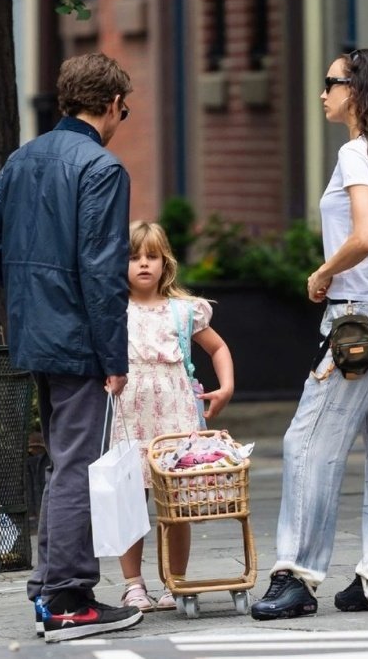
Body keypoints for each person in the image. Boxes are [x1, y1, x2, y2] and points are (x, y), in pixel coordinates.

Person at [0, 52, 143, 642]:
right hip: (79, 338)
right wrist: (114, 357)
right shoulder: (102, 168)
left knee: (61, 460)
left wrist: (29, 293)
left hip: (35, 332)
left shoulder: (23, 159)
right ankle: (68, 597)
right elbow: (101, 272)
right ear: (113, 104)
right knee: (78, 464)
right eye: (125, 106)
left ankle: (50, 588)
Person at [250, 48, 368, 621]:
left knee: (308, 442)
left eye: (330, 83)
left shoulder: (356, 152)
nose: (323, 92)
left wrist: (323, 273)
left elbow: (367, 235)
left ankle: (296, 577)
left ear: (357, 90)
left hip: (359, 322)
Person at [114, 220, 234, 612]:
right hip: (129, 417)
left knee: (176, 506)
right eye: (134, 257)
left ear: (166, 263)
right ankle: (133, 583)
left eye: (152, 256)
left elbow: (217, 348)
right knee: (130, 501)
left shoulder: (184, 312)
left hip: (176, 420)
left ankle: (175, 580)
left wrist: (226, 386)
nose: (143, 264)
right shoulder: (113, 310)